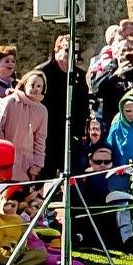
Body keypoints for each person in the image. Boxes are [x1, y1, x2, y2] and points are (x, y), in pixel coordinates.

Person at [34, 34, 90, 177]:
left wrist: (82, 130)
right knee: (46, 173)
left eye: (75, 52)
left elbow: (83, 104)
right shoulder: (42, 73)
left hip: (71, 133)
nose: (71, 55)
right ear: (56, 50)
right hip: (47, 131)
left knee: (72, 173)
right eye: (67, 50)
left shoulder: (79, 75)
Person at [0, 70, 49, 181]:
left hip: (27, 164)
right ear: (24, 85)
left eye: (39, 86)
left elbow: (40, 139)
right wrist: (2, 154)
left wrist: (37, 164)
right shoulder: (11, 101)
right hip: (5, 160)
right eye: (32, 84)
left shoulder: (42, 110)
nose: (36, 88)